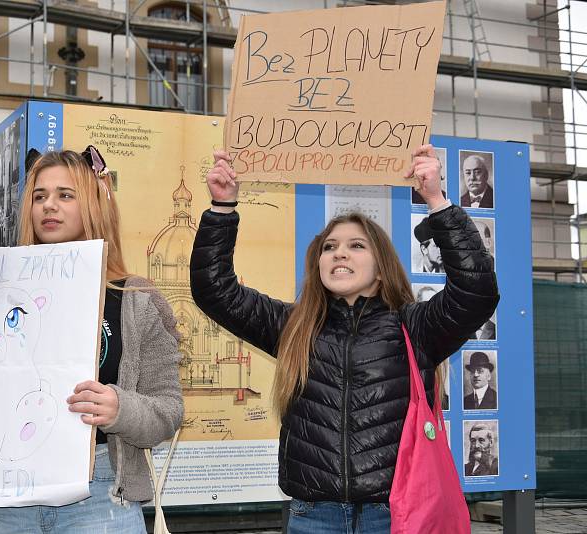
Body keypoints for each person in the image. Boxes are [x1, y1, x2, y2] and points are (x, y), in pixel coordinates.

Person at [190, 144, 498, 533]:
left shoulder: (414, 327)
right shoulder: (293, 326)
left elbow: (477, 291)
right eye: (329, 247)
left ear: (382, 268)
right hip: (313, 515)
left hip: (393, 515)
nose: (339, 254)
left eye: (356, 246)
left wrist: (436, 200)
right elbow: (214, 290)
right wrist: (222, 209)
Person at [0, 147, 183, 534]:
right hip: (4, 503)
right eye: (39, 196)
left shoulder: (136, 299)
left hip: (101, 498)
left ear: (94, 203)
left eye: (64, 195)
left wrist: (120, 408)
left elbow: (169, 410)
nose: (48, 206)